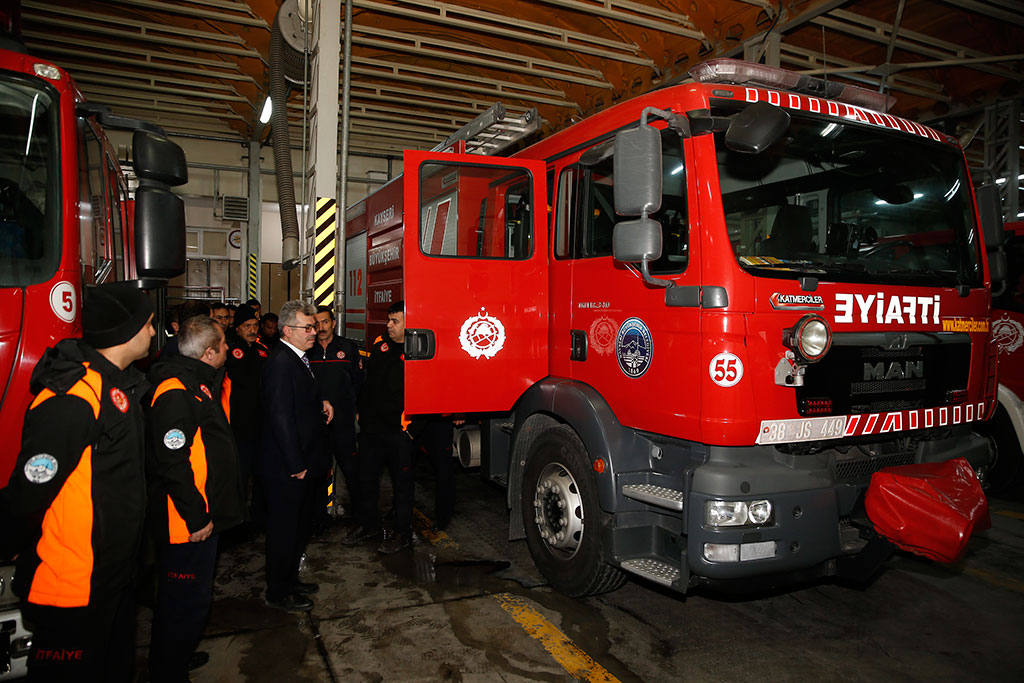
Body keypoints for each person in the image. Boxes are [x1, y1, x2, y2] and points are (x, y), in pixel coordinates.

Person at [0, 283, 155, 681]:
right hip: (72, 584)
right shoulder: (73, 398)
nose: (153, 332)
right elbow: (30, 491)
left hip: (112, 577)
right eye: (148, 324)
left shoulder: (119, 385)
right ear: (126, 331)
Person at [145, 316, 244, 683]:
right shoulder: (176, 391)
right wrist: (197, 517)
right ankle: (167, 671)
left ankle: (179, 654)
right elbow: (173, 462)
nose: (227, 349)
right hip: (186, 522)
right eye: (223, 344)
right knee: (182, 602)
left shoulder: (196, 381)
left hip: (200, 513)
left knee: (192, 600)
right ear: (209, 353)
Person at [256, 301, 333, 612]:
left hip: (303, 461)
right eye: (308, 327)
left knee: (299, 526)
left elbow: (297, 402)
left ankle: (290, 579)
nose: (314, 332)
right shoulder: (280, 363)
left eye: (315, 326)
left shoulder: (297, 358)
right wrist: (296, 464)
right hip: (286, 467)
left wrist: (320, 403)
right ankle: (278, 591)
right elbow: (280, 418)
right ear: (287, 331)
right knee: (284, 530)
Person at [343, 300, 415, 554]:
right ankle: (368, 525)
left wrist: (411, 427)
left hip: (399, 431)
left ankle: (402, 532)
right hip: (372, 428)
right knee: (366, 479)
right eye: (389, 319)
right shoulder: (380, 344)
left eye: (395, 321)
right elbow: (368, 381)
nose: (389, 325)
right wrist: (361, 410)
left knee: (402, 485)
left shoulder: (418, 350)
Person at [307, 306, 363, 528]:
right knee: (318, 473)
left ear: (333, 323)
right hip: (316, 425)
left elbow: (359, 382)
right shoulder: (308, 349)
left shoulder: (347, 348)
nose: (321, 327)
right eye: (317, 323)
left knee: (352, 471)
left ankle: (360, 521)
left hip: (343, 424)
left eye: (325, 322)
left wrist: (352, 408)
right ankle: (319, 519)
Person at [225, 305, 270, 527]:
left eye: (255, 325)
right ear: (238, 328)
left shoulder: (263, 350)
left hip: (261, 423)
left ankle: (259, 517)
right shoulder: (230, 350)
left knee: (261, 473)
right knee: (240, 476)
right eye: (247, 326)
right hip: (238, 424)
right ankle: (238, 521)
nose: (252, 330)